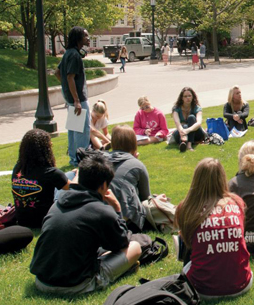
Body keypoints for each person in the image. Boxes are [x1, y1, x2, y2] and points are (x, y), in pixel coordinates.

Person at [30, 153, 142, 295]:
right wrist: (117, 209)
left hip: (41, 281)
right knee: (135, 247)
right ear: (103, 185)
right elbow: (122, 242)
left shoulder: (58, 203)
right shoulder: (102, 211)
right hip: (77, 285)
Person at [176, 158, 252, 299]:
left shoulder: (186, 207)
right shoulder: (237, 202)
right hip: (241, 283)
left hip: (200, 289)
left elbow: (187, 242)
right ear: (222, 178)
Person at [11, 129, 70, 229]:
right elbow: (74, 188)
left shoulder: (18, 168)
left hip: (22, 220)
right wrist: (77, 173)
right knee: (69, 180)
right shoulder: (51, 172)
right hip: (45, 220)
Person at [58, 26, 91, 167]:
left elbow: (58, 73)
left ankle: (73, 158)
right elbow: (70, 77)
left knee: (73, 130)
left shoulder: (68, 53)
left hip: (71, 99)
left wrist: (67, 90)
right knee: (82, 131)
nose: (88, 38)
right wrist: (77, 100)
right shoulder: (75, 55)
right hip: (79, 100)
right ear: (78, 38)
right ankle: (81, 160)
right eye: (85, 36)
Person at [107, 126, 151, 232]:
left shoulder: (100, 160)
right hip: (125, 220)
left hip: (96, 214)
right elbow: (145, 198)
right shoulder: (137, 165)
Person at [171, 87, 207, 152]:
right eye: (185, 96)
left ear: (193, 97)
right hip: (181, 132)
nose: (188, 98)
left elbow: (199, 123)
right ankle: (183, 142)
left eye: (189, 96)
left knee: (191, 117)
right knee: (183, 126)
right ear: (182, 98)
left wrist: (187, 130)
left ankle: (188, 144)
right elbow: (177, 123)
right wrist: (182, 131)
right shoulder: (176, 108)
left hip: (196, 133)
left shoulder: (196, 108)